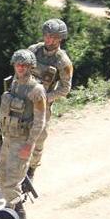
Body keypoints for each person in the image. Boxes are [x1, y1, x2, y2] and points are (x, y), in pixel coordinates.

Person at [0, 50, 47, 219]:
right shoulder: (14, 84)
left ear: (30, 67)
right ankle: (19, 209)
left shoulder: (36, 90)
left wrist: (29, 145)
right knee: (2, 177)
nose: (19, 67)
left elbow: (39, 122)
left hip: (22, 141)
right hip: (9, 139)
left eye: (23, 65)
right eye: (17, 64)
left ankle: (9, 217)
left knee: (12, 181)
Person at [26, 18, 73, 180]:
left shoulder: (63, 61)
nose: (48, 39)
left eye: (53, 36)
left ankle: (31, 170)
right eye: (46, 35)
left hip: (42, 105)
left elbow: (65, 89)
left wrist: (45, 98)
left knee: (39, 138)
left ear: (60, 38)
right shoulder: (33, 50)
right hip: (24, 98)